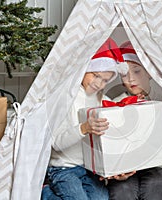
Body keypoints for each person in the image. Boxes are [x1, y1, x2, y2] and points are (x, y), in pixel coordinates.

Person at [41, 38, 126, 200]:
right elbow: (56, 144)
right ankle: (45, 193)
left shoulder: (100, 98)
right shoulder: (65, 98)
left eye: (105, 80)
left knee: (101, 198)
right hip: (63, 169)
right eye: (96, 75)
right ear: (83, 69)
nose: (99, 84)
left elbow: (116, 111)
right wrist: (84, 128)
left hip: (89, 169)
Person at [106, 41, 162, 200]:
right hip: (125, 167)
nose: (131, 79)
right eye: (125, 74)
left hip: (155, 166)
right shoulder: (115, 104)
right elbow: (111, 145)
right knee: (123, 190)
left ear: (149, 72)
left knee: (155, 185)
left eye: (137, 71)